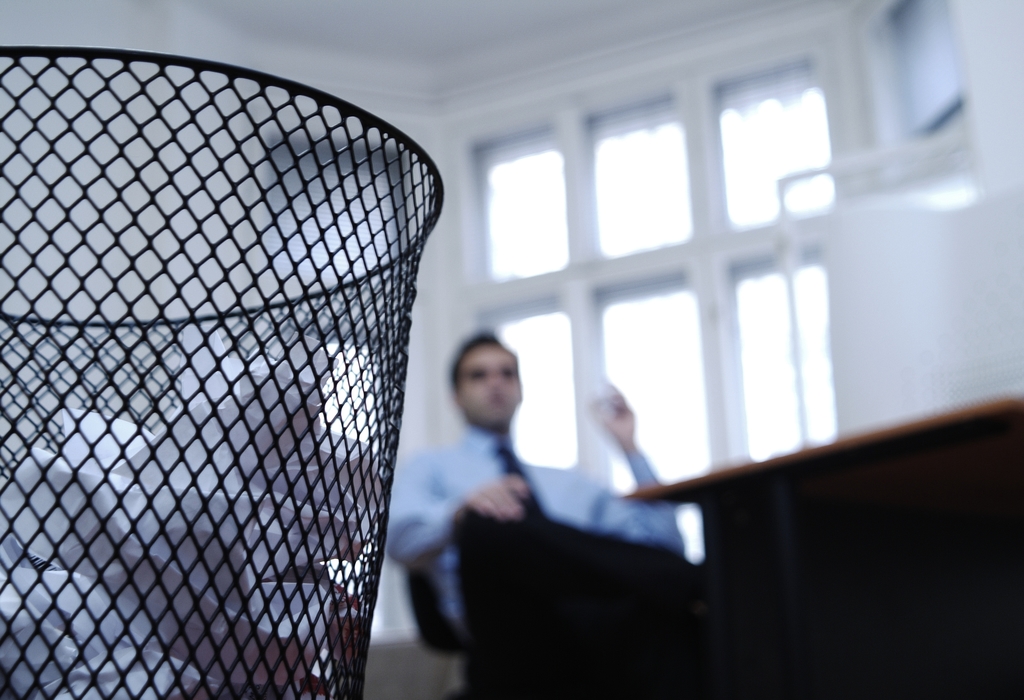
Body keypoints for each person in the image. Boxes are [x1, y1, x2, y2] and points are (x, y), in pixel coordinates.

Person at [387, 333, 702, 700]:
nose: (495, 383)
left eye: (507, 374)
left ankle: (692, 586)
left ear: (520, 391)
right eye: (479, 375)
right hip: (510, 640)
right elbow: (398, 541)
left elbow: (663, 545)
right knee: (487, 523)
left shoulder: (568, 481)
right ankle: (700, 581)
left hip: (592, 635)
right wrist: (461, 511)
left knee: (662, 611)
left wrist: (630, 449)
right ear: (456, 396)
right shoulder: (431, 468)